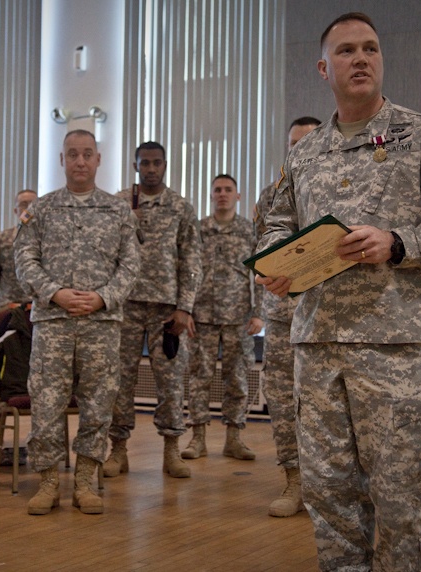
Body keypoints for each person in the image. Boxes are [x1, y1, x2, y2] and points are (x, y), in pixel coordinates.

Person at [256, 12, 421, 570]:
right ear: (323, 67)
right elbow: (274, 221)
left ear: (382, 60)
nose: (360, 59)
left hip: (395, 351)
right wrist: (275, 262)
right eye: (346, 51)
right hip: (317, 348)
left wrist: (398, 241)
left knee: (400, 500)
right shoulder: (305, 153)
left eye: (370, 49)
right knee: (329, 497)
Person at [14, 129, 140, 515]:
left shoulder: (118, 210)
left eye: (87, 154)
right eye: (73, 154)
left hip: (101, 323)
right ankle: (49, 481)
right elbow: (24, 260)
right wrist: (55, 292)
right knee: (47, 404)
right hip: (53, 321)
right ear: (62, 160)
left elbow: (132, 263)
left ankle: (85, 481)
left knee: (99, 404)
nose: (80, 161)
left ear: (98, 159)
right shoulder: (42, 209)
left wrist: (103, 297)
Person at [104, 141, 202, 479]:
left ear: (165, 165)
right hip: (125, 305)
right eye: (144, 163)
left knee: (171, 381)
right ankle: (117, 449)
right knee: (119, 379)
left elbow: (191, 259)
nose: (151, 169)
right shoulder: (117, 204)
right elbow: (105, 256)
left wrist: (185, 307)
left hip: (166, 309)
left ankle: (172, 449)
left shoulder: (180, 207)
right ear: (135, 166)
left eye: (157, 163)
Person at [253, 116, 320, 518]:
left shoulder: (339, 189)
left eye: (307, 142)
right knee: (281, 401)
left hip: (327, 314)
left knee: (324, 403)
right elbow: (261, 252)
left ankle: (331, 487)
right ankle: (294, 481)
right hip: (281, 316)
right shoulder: (270, 196)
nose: (299, 149)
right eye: (293, 143)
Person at [182, 174, 263, 461]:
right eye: (217, 189)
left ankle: (234, 438)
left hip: (238, 317)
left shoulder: (249, 231)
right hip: (201, 316)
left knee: (237, 379)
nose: (223, 194)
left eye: (228, 190)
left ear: (238, 196)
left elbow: (261, 273)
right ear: (210, 195)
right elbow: (186, 269)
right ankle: (198, 438)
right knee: (198, 378)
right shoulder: (198, 229)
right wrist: (185, 309)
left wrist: (259, 313)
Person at [0, 189, 37, 308]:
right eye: (23, 204)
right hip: (8, 305)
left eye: (32, 203)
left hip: (39, 307)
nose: (28, 208)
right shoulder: (1, 240)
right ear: (15, 210)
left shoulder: (50, 239)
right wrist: (3, 295)